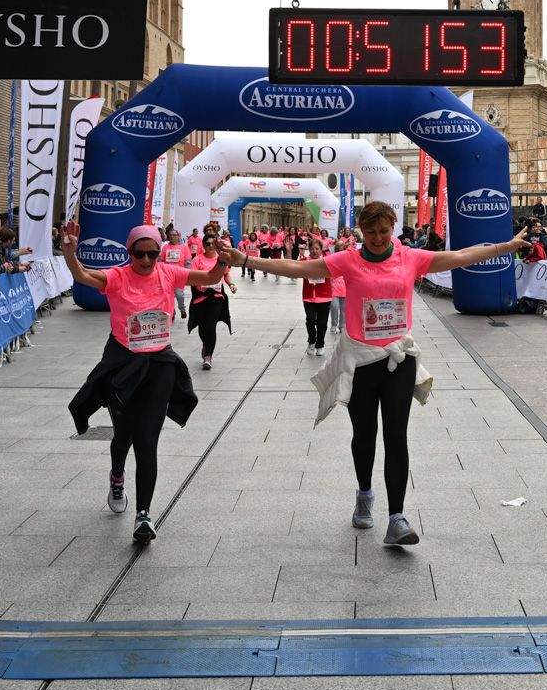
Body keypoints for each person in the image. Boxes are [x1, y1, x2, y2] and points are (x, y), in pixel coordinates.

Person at [223, 200, 527, 547]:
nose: (378, 238)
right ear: (361, 231)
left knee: (396, 436)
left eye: (384, 231)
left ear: (393, 228)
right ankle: (365, 494)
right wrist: (246, 260)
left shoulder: (410, 258)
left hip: (399, 359)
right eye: (371, 232)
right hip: (361, 361)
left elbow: (460, 256)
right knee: (364, 435)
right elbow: (298, 268)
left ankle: (397, 518)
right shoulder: (347, 260)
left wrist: (505, 246)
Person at [64, 221, 220, 544]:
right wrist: (69, 254)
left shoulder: (168, 273)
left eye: (152, 253)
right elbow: (83, 276)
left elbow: (208, 278)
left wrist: (226, 261)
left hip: (159, 364)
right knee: (123, 436)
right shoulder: (118, 276)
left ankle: (143, 515)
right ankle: (117, 476)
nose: (147, 260)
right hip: (123, 364)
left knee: (147, 440)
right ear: (129, 252)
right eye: (140, 254)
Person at [188, 226, 235, 370]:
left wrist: (231, 284)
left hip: (216, 297)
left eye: (212, 244)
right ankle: (205, 344)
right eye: (207, 244)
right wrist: (200, 284)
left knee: (211, 325)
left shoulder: (221, 259)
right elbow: (192, 276)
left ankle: (208, 356)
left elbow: (226, 274)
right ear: (203, 245)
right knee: (202, 327)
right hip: (201, 297)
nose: (209, 246)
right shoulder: (197, 259)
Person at [300, 238, 334, 357]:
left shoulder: (327, 261)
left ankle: (320, 345)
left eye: (317, 248)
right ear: (309, 250)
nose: (314, 251)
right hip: (309, 297)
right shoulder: (304, 261)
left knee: (322, 323)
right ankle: (311, 341)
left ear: (321, 250)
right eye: (312, 249)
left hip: (325, 297)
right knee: (310, 321)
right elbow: (293, 268)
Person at [161, 229, 194, 314]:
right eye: (170, 235)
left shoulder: (184, 247)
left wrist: (188, 273)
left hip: (179, 276)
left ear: (178, 236)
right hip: (168, 276)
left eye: (174, 235)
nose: (172, 237)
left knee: (179, 295)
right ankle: (172, 311)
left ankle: (182, 309)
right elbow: (161, 261)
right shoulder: (165, 247)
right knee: (169, 296)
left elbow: (188, 262)